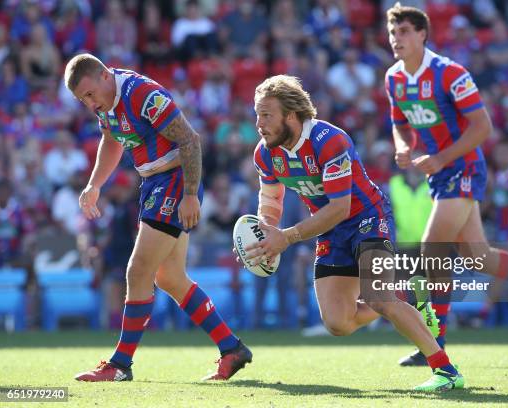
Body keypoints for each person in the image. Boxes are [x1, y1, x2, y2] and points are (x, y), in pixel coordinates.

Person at [245, 74, 464, 391]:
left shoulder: (329, 141)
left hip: (367, 218)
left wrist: (288, 237)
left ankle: (446, 371)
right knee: (337, 323)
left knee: (378, 298)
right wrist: (267, 229)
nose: (259, 123)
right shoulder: (265, 153)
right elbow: (270, 198)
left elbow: (340, 207)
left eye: (266, 115)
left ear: (290, 116)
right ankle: (409, 298)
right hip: (330, 230)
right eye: (257, 114)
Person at [384, 4, 508, 366]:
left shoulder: (449, 73)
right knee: (478, 256)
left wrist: (440, 157)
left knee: (433, 246)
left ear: (423, 34)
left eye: (404, 31)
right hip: (439, 173)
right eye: (393, 33)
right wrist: (403, 146)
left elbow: (483, 127)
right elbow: (399, 123)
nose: (397, 39)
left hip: (464, 166)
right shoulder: (394, 78)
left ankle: (434, 342)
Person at [64, 53, 252, 382]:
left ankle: (121, 364)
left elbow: (190, 140)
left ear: (106, 76)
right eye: (83, 100)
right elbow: (111, 141)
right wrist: (94, 184)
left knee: (139, 271)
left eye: (90, 94)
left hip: (175, 180)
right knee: (170, 278)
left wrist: (191, 194)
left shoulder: (142, 94)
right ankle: (232, 349)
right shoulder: (106, 108)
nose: (90, 104)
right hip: (153, 183)